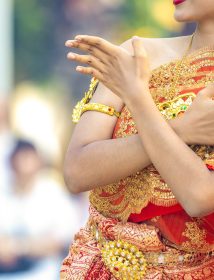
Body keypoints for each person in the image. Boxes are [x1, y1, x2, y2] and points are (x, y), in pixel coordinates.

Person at [61, 0, 214, 279]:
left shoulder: (131, 69)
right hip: (97, 266)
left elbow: (200, 196)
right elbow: (77, 170)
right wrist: (180, 128)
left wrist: (137, 97)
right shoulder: (136, 54)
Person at [0, 139, 82, 280]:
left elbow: (65, 237)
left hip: (43, 273)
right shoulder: (4, 193)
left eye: (28, 158)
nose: (24, 165)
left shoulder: (52, 192)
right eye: (20, 159)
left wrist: (20, 247)